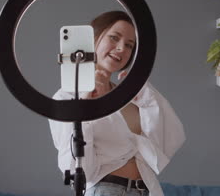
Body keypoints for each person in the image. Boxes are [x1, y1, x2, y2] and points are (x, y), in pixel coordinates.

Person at [49, 11, 186, 196]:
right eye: (114, 38)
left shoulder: (133, 95)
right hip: (106, 190)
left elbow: (172, 138)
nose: (121, 48)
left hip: (146, 189)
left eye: (129, 45)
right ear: (94, 38)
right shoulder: (67, 97)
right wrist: (86, 110)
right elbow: (77, 169)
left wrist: (145, 93)